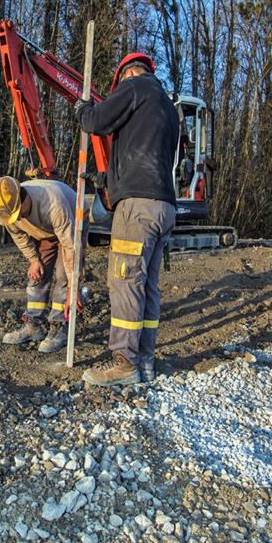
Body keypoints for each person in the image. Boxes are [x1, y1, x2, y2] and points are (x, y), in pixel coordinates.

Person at [75, 53, 179, 386]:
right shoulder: (168, 107)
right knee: (147, 285)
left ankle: (124, 362)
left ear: (129, 73)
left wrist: (81, 109)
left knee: (124, 281)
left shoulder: (134, 87)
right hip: (165, 206)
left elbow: (96, 121)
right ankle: (145, 361)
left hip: (137, 206)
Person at [0, 177, 88, 353]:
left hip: (72, 221)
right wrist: (33, 259)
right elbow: (19, 236)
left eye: (19, 213)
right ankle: (34, 325)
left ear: (24, 198)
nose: (18, 218)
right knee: (38, 275)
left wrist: (74, 286)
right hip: (44, 231)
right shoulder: (7, 210)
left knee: (64, 276)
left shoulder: (53, 205)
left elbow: (71, 246)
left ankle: (59, 327)